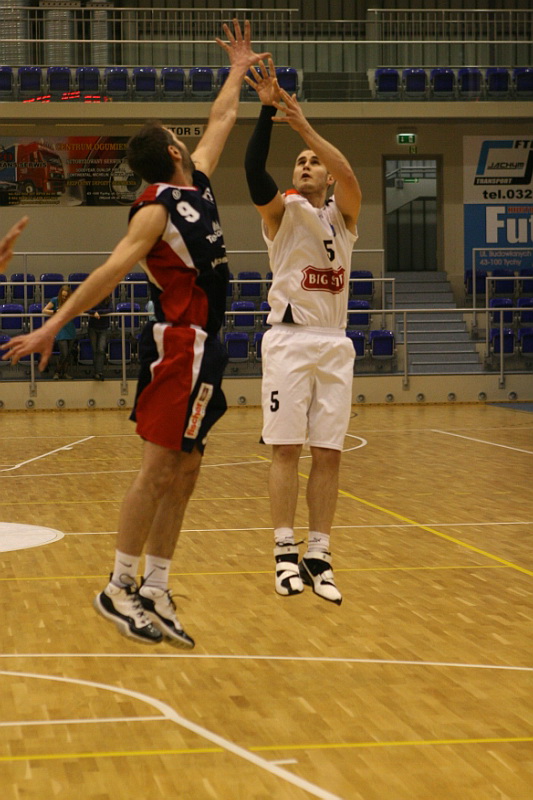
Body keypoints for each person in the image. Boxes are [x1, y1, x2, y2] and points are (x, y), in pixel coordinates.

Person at [3, 19, 270, 648]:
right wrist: (54, 324)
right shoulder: (155, 208)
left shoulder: (197, 183)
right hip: (180, 344)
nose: (189, 139)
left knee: (188, 468)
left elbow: (221, 120)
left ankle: (156, 585)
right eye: (179, 137)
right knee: (157, 471)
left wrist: (237, 69)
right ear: (173, 152)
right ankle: (118, 585)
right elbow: (110, 270)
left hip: (208, 347)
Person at [244, 59, 362, 606]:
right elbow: (253, 170)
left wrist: (304, 125)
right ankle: (283, 553)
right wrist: (268, 112)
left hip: (335, 342)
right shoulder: (282, 212)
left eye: (315, 161)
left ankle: (319, 553)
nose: (308, 164)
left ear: (327, 175)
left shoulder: (344, 215)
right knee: (287, 449)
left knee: (329, 454)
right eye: (300, 162)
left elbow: (351, 175)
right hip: (289, 341)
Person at [43, 284, 76, 379]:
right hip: (60, 329)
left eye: (66, 296)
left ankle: (64, 372)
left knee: (68, 354)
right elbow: (44, 310)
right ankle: (57, 372)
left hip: (70, 328)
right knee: (64, 352)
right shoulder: (55, 300)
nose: (64, 298)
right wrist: (55, 312)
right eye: (63, 296)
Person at [87, 294, 112, 380]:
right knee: (94, 350)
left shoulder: (108, 299)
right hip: (93, 327)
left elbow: (110, 309)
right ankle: (96, 372)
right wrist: (93, 312)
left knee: (101, 349)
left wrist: (98, 312)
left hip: (104, 328)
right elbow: (86, 309)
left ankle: (99, 372)